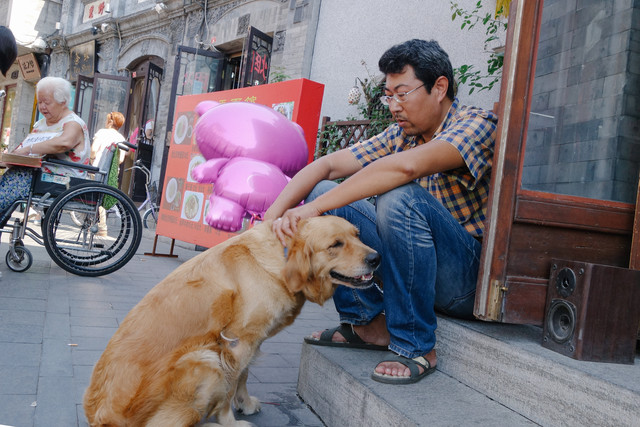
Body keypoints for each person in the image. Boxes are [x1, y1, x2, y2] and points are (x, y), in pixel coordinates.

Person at [264, 39, 498, 384]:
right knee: (327, 192)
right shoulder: (401, 135)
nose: (393, 106)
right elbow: (327, 166)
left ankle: (415, 345)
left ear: (439, 87)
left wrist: (311, 209)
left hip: (463, 281)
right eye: (388, 95)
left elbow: (405, 170)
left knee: (400, 197)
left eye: (402, 93)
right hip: (416, 266)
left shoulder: (476, 126)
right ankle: (367, 323)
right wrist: (267, 222)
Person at [0, 76, 91, 218]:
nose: (42, 107)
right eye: (40, 102)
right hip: (38, 175)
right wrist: (10, 158)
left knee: (15, 180)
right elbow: (23, 147)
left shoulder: (73, 123)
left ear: (63, 102)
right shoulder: (41, 124)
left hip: (63, 179)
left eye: (47, 102)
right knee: (10, 178)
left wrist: (28, 150)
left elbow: (64, 143)